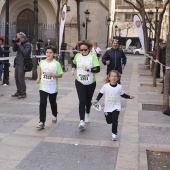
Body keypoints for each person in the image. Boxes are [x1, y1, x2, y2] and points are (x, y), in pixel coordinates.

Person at [94, 70, 134, 141]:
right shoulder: (105, 86)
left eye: (115, 76)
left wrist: (129, 96)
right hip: (108, 107)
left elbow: (122, 94)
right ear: (109, 77)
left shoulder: (119, 87)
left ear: (118, 78)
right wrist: (97, 100)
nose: (114, 78)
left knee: (115, 120)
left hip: (116, 106)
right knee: (109, 121)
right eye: (112, 76)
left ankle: (114, 134)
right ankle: (110, 120)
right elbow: (100, 93)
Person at [71, 40, 100, 129]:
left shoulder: (92, 56)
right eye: (81, 50)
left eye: (85, 50)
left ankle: (87, 111)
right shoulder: (77, 56)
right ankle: (81, 121)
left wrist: (88, 69)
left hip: (90, 82)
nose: (83, 51)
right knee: (82, 101)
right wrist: (73, 69)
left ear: (89, 49)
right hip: (79, 81)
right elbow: (74, 63)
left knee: (88, 100)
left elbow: (97, 69)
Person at [36, 45, 63, 129]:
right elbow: (39, 69)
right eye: (47, 52)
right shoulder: (42, 62)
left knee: (53, 103)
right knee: (42, 103)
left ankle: (55, 114)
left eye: (50, 53)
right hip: (43, 87)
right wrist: (38, 78)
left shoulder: (56, 63)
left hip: (53, 87)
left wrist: (52, 75)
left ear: (54, 54)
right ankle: (41, 122)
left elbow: (60, 75)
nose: (48, 54)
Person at [12, 32, 31, 99]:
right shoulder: (19, 43)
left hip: (23, 63)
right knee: (16, 78)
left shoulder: (28, 44)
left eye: (19, 38)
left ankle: (23, 93)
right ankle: (18, 91)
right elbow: (14, 50)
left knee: (21, 78)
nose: (18, 39)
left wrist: (20, 45)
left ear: (23, 38)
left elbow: (25, 54)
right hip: (17, 63)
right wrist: (15, 44)